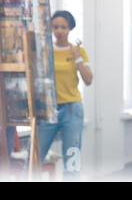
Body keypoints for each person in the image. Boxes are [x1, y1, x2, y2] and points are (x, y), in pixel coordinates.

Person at [37, 10, 93, 180]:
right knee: (35, 157)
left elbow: (88, 79)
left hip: (72, 109)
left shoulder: (79, 51)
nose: (59, 31)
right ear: (50, 28)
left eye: (63, 27)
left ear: (70, 29)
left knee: (72, 161)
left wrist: (76, 57)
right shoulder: (45, 50)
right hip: (48, 110)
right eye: (55, 27)